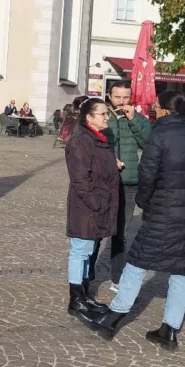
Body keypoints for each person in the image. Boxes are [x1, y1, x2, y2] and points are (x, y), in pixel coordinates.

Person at [77, 91, 185, 351]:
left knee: (137, 264)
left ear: (163, 110)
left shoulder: (159, 135)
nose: (154, 110)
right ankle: (169, 330)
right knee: (183, 271)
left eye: (156, 107)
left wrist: (144, 201)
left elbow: (147, 174)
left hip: (163, 210)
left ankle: (112, 319)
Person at [90, 81, 152, 293]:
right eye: (118, 97)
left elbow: (149, 143)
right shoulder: (101, 117)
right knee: (97, 231)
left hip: (129, 183)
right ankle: (88, 276)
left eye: (126, 97)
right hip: (104, 183)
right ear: (109, 96)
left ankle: (117, 278)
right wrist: (108, 161)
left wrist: (133, 120)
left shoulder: (138, 118)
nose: (122, 101)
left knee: (120, 233)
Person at [64, 97, 119, 318]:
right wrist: (96, 203)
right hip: (86, 206)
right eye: (102, 114)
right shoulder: (80, 141)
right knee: (80, 251)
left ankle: (85, 295)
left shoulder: (98, 138)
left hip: (97, 205)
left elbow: (99, 167)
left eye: (107, 113)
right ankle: (76, 299)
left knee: (87, 252)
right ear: (89, 117)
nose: (107, 117)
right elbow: (80, 179)